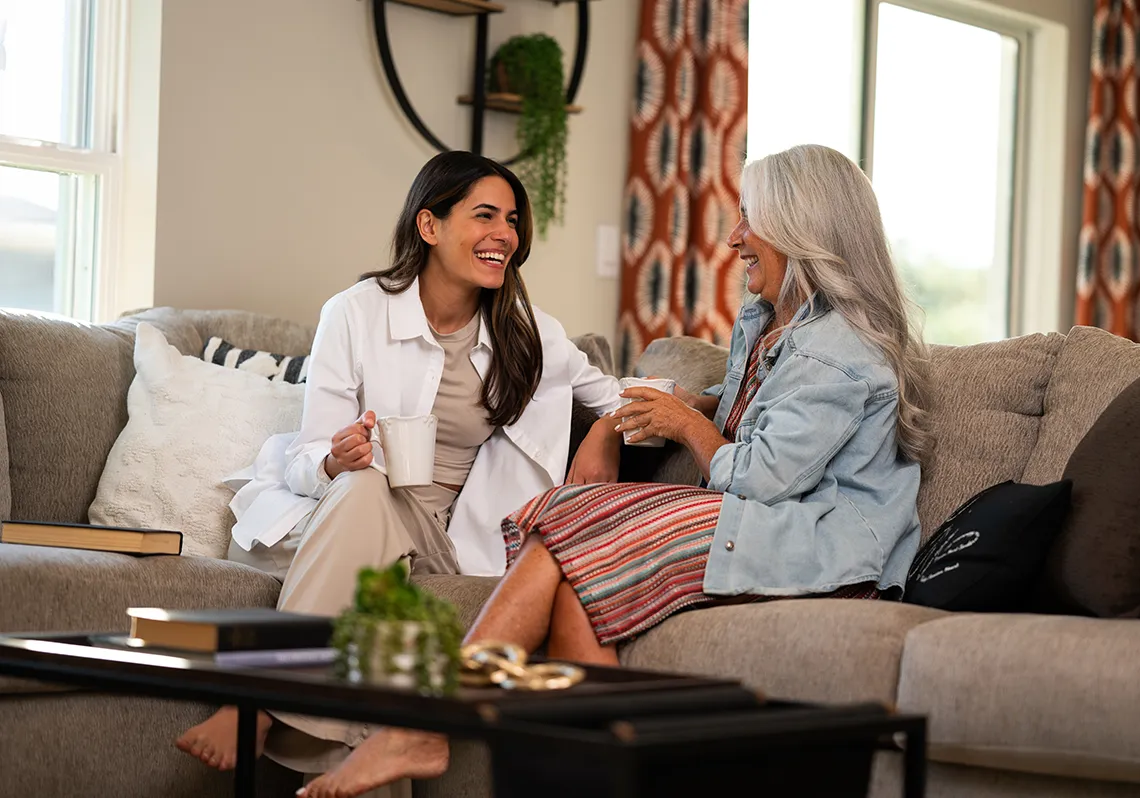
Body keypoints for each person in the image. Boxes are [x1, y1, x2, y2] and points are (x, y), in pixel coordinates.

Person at [294, 142, 933, 797]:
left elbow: (763, 476)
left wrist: (686, 424)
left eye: (750, 219)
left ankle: (426, 726)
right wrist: (619, 422)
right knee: (576, 574)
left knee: (568, 526)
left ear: (803, 230)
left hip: (819, 539)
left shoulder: (840, 352)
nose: (734, 236)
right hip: (767, 517)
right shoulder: (768, 318)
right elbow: (743, 408)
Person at [174, 151, 626, 780]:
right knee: (363, 486)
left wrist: (604, 428)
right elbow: (309, 456)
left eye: (513, 220)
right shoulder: (355, 313)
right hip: (356, 508)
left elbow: (628, 396)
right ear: (429, 225)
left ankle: (258, 705)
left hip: (449, 539)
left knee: (369, 501)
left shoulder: (530, 331)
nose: (505, 234)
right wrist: (335, 460)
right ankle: (339, 750)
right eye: (485, 215)